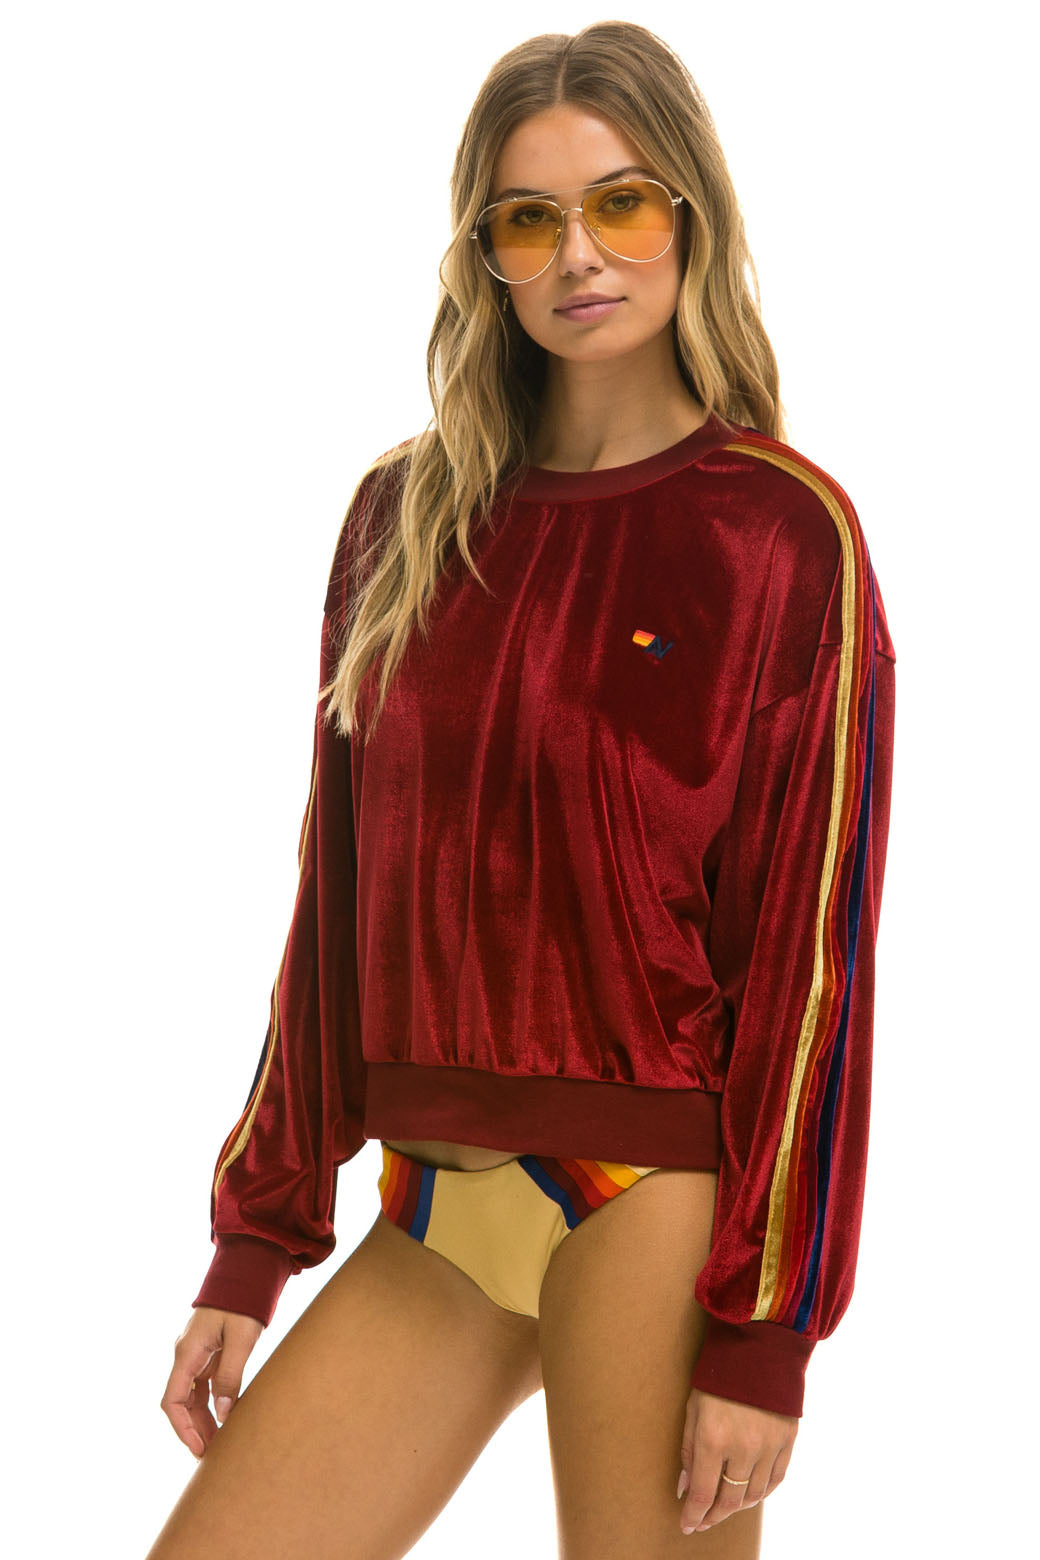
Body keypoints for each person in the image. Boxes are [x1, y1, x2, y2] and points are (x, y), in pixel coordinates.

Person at [149, 20, 896, 1560]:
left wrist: (765, 1334)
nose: (581, 256)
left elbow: (812, 965)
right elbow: (335, 901)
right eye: (530, 219)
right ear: (484, 255)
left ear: (691, 216)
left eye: (621, 205)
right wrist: (256, 1236)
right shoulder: (398, 519)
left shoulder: (778, 536)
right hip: (434, 1197)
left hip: (656, 1195)